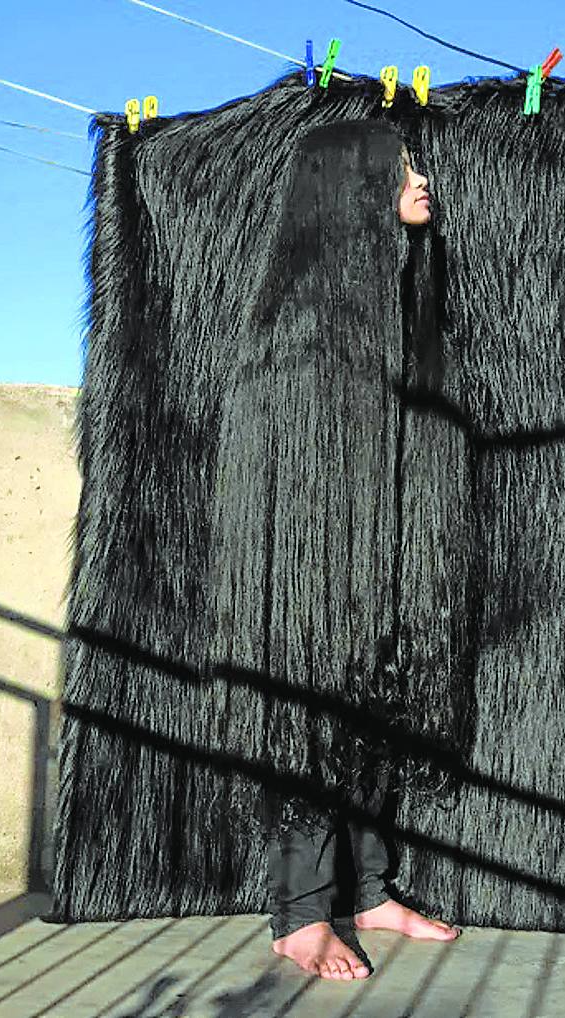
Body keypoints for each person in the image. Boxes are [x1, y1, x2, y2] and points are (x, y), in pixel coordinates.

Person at [215, 118, 463, 981]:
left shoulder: (389, 299)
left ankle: (367, 891)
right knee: (311, 720)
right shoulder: (305, 314)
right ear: (351, 190)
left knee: (375, 712)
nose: (421, 179)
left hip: (380, 550)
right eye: (401, 170)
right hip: (309, 568)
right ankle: (299, 916)